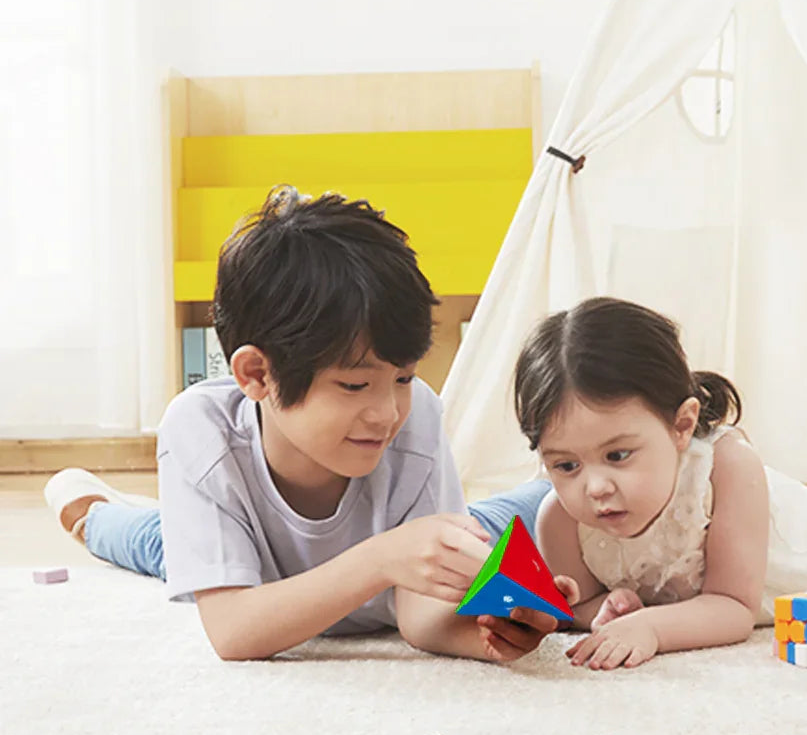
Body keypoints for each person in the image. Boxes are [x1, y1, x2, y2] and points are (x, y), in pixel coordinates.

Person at [44, 186, 573, 663]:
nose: (387, 412)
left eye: (405, 378)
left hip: (384, 562)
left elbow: (418, 612)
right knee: (154, 543)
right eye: (353, 385)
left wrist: (488, 634)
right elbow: (233, 632)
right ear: (257, 374)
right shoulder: (202, 431)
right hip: (259, 564)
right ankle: (95, 516)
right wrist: (382, 559)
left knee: (529, 508)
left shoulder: (416, 417)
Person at [510, 296, 807, 671]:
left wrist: (652, 626)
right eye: (565, 466)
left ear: (682, 426)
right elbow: (578, 607)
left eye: (617, 456)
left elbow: (733, 608)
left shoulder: (726, 466)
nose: (594, 487)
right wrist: (608, 610)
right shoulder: (558, 519)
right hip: (698, 598)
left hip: (788, 560)